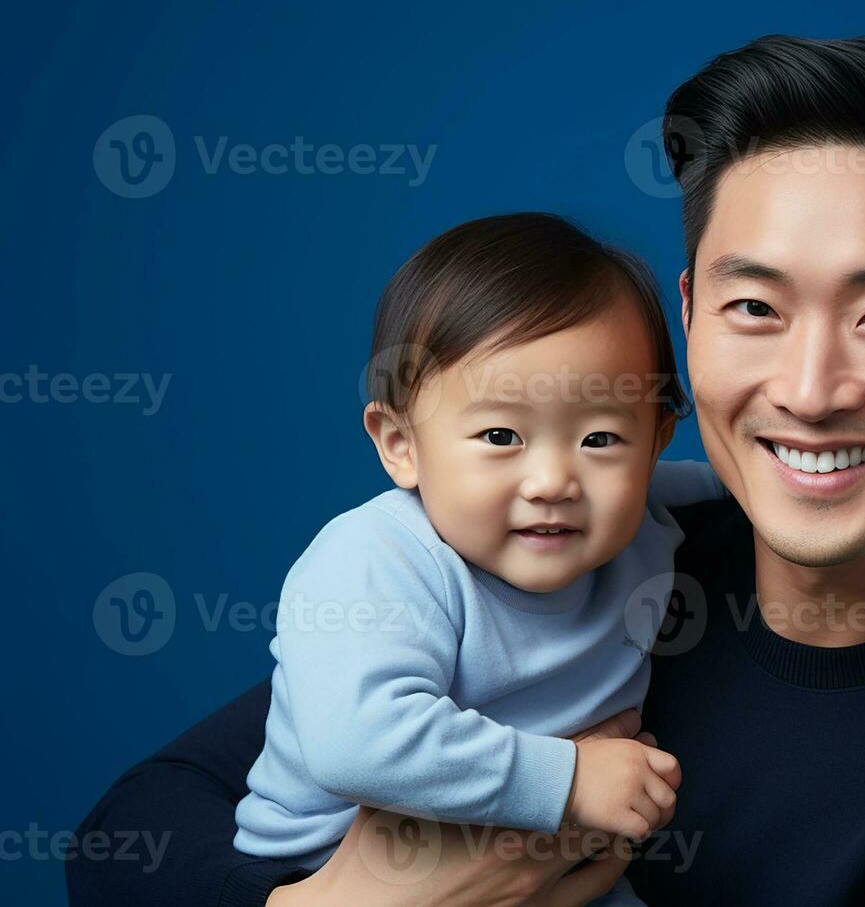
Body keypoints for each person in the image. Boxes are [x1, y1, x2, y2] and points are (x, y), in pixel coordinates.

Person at [68, 35, 865, 907]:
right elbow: (133, 835)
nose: (810, 385)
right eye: (754, 307)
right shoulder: (593, 544)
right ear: (688, 319)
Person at [239, 211, 725, 904]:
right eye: (501, 435)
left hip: (549, 858)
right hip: (339, 868)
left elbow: (737, 487)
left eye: (600, 440)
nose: (553, 480)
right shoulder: (378, 560)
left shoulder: (643, 510)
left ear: (654, 443)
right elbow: (356, 742)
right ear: (400, 442)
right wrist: (568, 780)